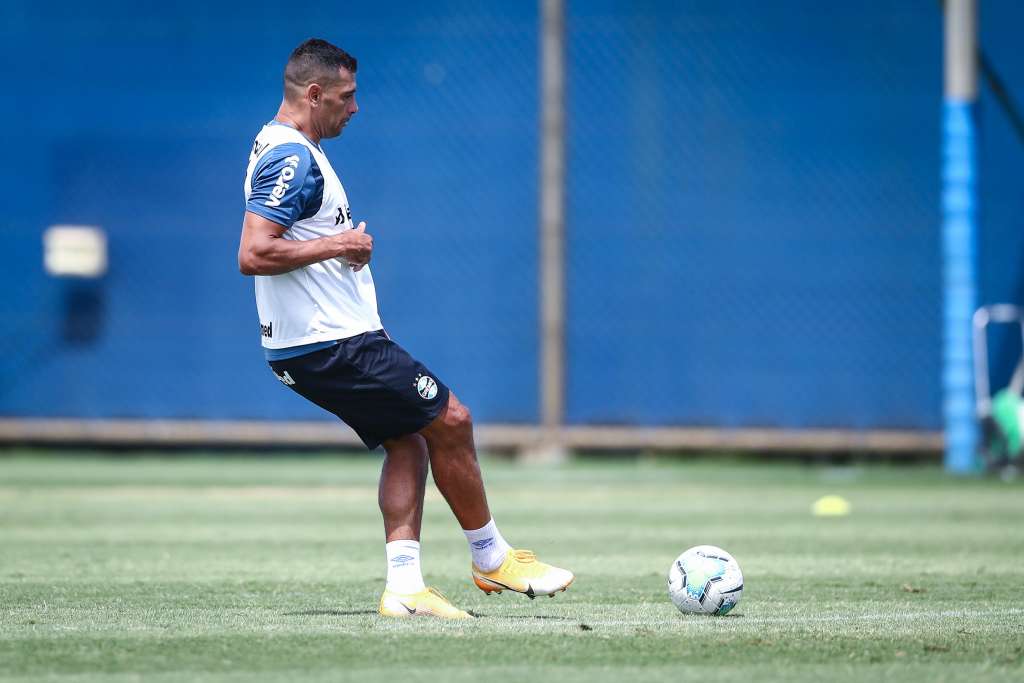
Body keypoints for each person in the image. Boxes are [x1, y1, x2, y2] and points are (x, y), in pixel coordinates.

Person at [237, 38, 573, 619]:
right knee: (453, 420)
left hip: (316, 343)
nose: (355, 107)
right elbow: (253, 252)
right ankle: (492, 557)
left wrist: (338, 256)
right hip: (330, 342)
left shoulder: (285, 147)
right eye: (346, 96)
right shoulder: (290, 157)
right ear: (314, 94)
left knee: (409, 440)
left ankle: (405, 587)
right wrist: (340, 243)